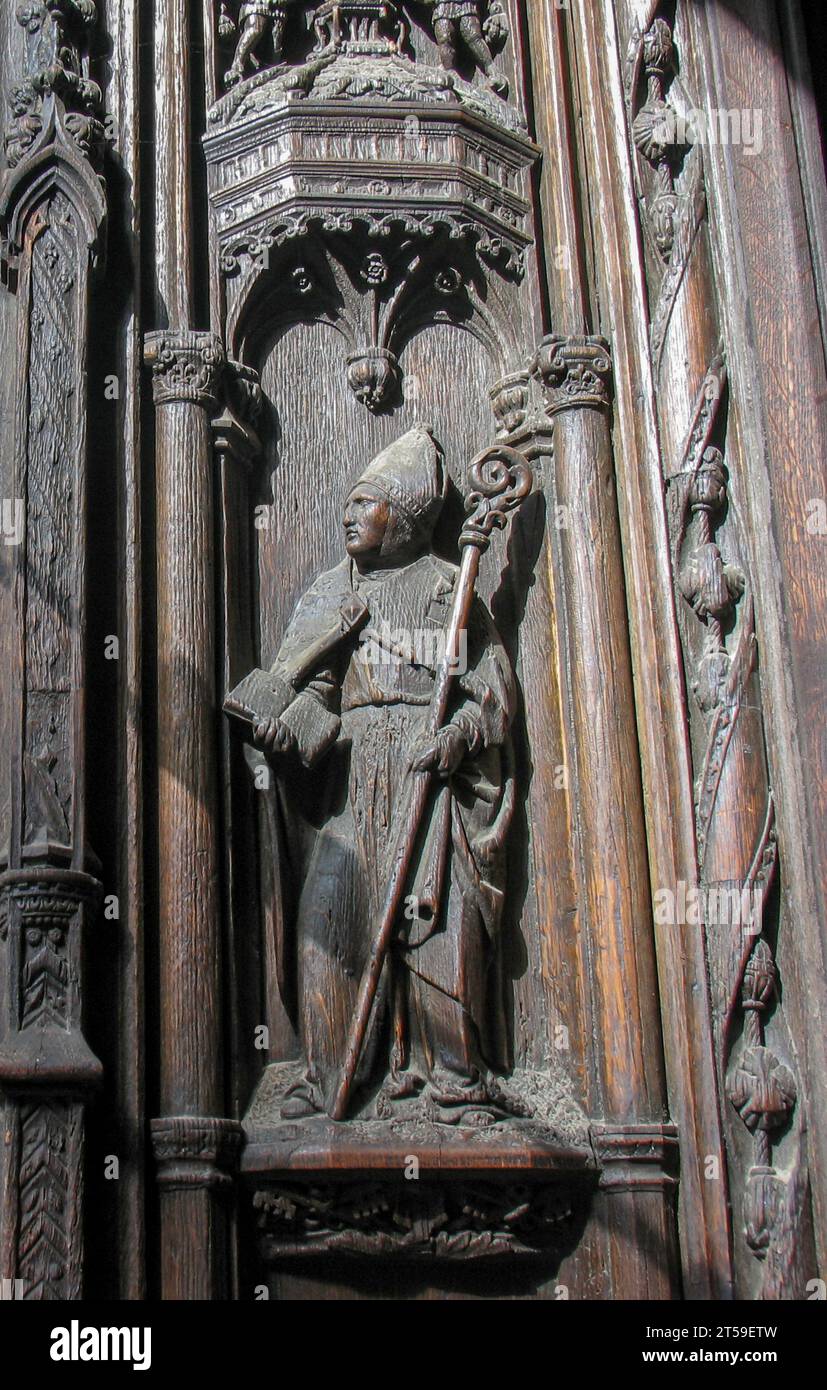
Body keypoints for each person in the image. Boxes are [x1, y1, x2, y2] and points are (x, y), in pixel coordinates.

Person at [252, 426, 517, 1122]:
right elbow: (311, 689)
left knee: (438, 924)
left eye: (365, 504)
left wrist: (457, 736)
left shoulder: (444, 591)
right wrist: (288, 729)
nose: (349, 514)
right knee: (328, 918)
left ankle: (453, 1080)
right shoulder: (330, 592)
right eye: (347, 502)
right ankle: (326, 1069)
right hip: (351, 773)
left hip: (426, 775)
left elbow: (491, 692)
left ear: (400, 519)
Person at [423, 1, 509, 98]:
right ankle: (449, 71)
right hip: (442, 6)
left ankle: (493, 72)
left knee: (473, 36)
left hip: (466, 4)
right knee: (445, 38)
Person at [223, 0, 301, 87]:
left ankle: (272, 74)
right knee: (255, 29)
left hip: (277, 10)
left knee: (276, 39)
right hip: (256, 5)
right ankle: (236, 67)